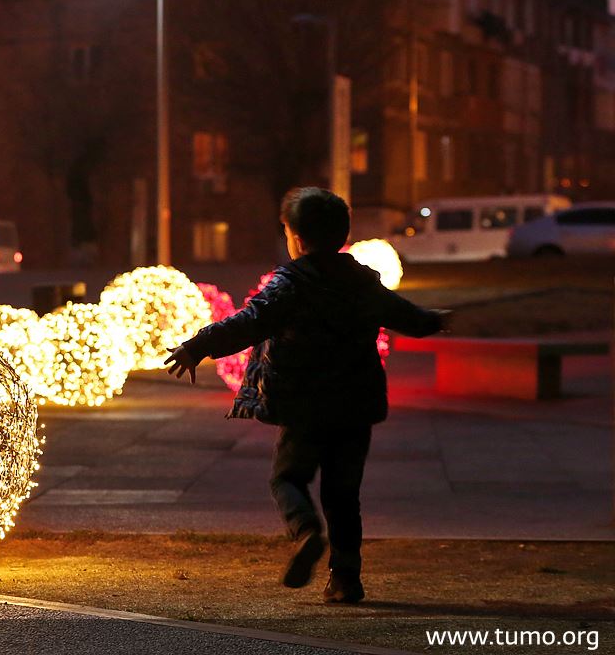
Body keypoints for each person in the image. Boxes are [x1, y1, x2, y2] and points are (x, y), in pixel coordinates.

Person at [164, 187, 447, 604]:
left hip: (303, 405)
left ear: (295, 237)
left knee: (287, 477)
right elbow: (408, 316)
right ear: (342, 234)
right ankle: (346, 577)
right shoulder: (363, 284)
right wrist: (435, 321)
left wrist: (199, 346)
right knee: (344, 494)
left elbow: (249, 322)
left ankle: (306, 531)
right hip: (355, 405)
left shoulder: (290, 285)